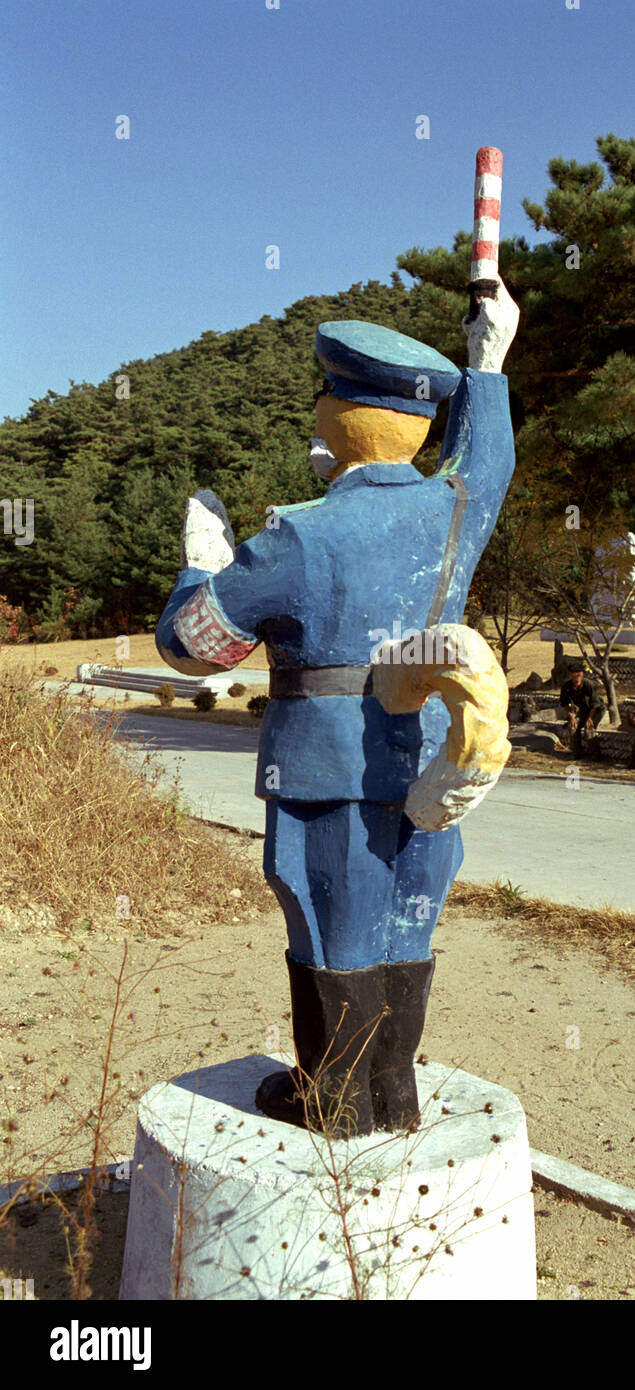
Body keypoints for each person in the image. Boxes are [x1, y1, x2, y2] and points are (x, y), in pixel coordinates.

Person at [155, 278, 519, 1136]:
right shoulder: (454, 510)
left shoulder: (299, 535)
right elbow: (486, 461)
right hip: (428, 756)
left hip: (323, 762)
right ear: (418, 425)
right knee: (408, 917)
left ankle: (332, 1099)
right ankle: (393, 1092)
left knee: (331, 921)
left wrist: (198, 564)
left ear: (337, 415)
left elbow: (196, 647)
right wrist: (487, 361)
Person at [559, 663, 605, 758]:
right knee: (573, 727)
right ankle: (576, 754)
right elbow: (564, 703)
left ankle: (595, 756)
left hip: (596, 710)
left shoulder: (588, 684)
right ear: (570, 674)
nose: (578, 675)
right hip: (583, 710)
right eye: (575, 673)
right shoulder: (566, 687)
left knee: (589, 730)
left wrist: (590, 718)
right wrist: (571, 716)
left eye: (579, 672)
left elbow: (596, 703)